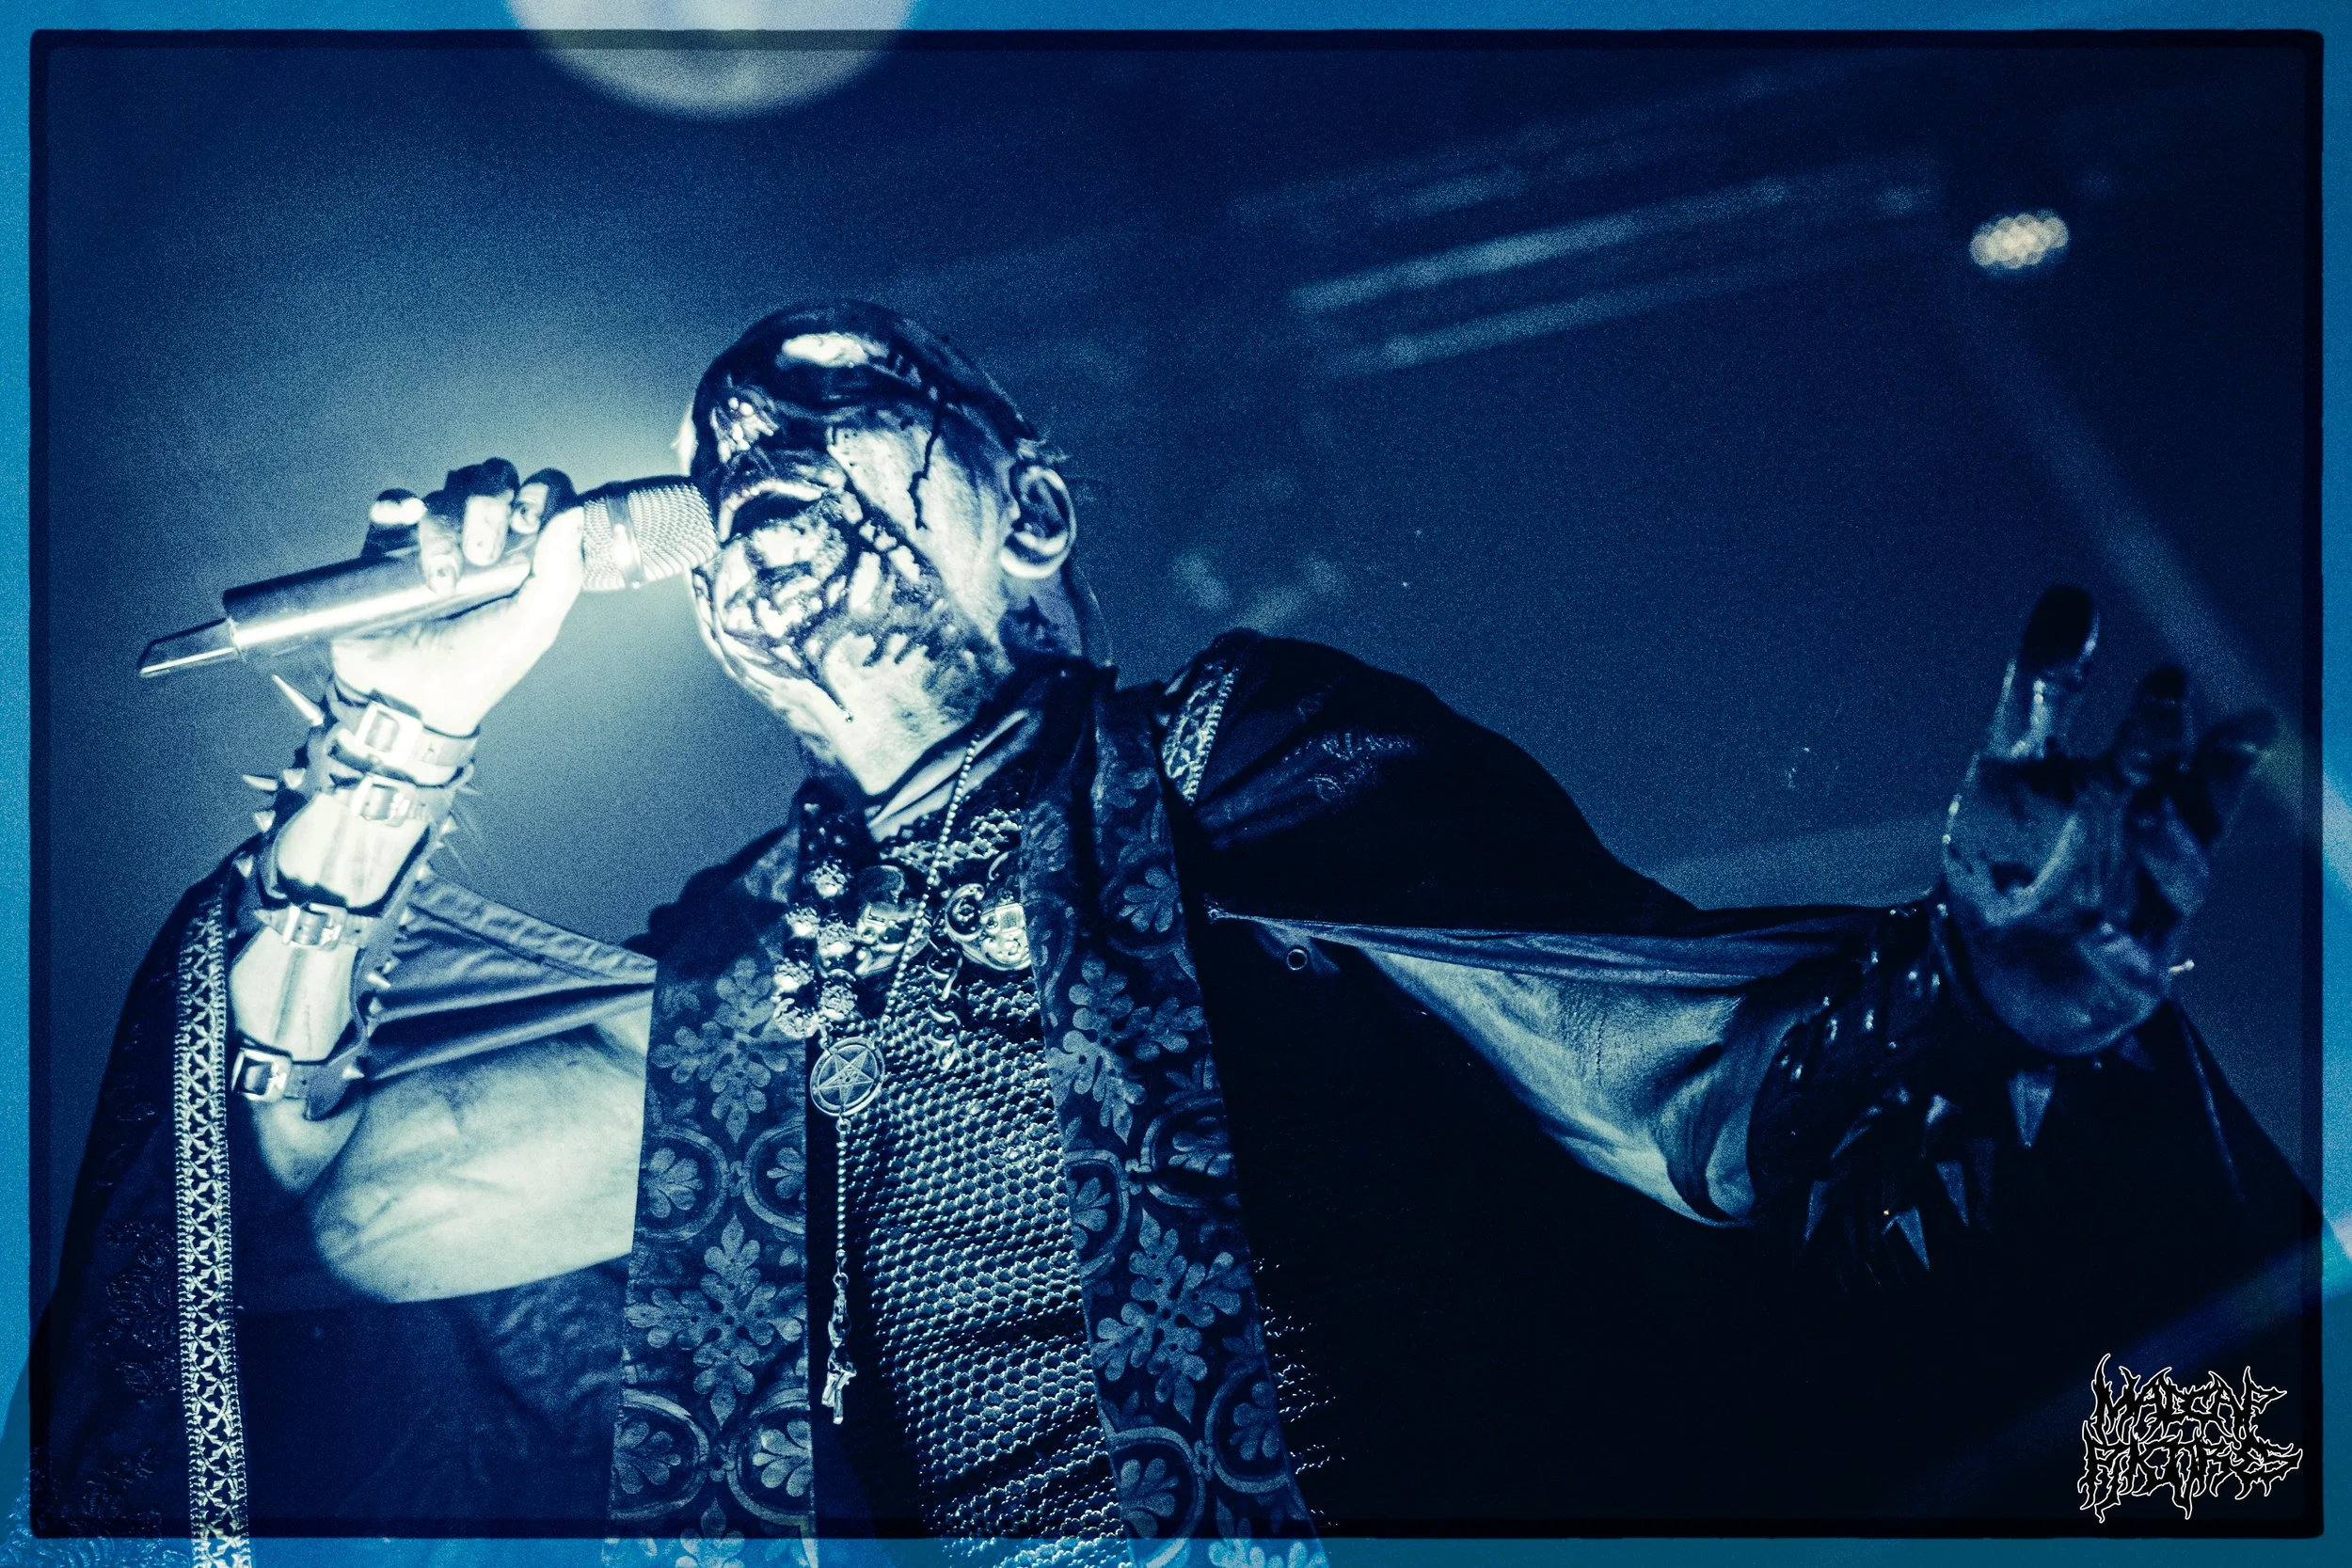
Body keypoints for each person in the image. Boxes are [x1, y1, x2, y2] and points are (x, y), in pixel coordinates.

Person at [33, 303, 2317, 1561]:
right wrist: (410, 724)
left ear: (1023, 507)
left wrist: (1975, 996)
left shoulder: (1237, 754)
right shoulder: (760, 972)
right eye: (727, 464)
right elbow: (341, 1199)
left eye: (832, 407)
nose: (758, 464)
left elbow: (1651, 1060)